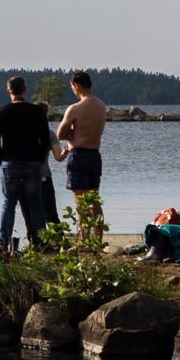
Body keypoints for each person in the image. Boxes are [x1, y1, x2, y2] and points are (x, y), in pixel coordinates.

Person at [0, 75, 57, 252]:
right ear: (24, 90)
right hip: (32, 162)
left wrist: (1, 160)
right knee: (35, 203)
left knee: (8, 202)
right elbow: (44, 139)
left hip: (10, 162)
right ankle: (41, 241)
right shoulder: (37, 112)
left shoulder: (0, 112)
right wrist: (40, 158)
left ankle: (3, 241)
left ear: (8, 91)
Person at [55, 71, 108, 244]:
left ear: (76, 85)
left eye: (71, 86)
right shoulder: (101, 106)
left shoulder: (75, 108)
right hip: (95, 155)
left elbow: (60, 134)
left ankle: (84, 241)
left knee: (81, 202)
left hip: (78, 156)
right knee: (94, 200)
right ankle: (97, 239)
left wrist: (73, 134)